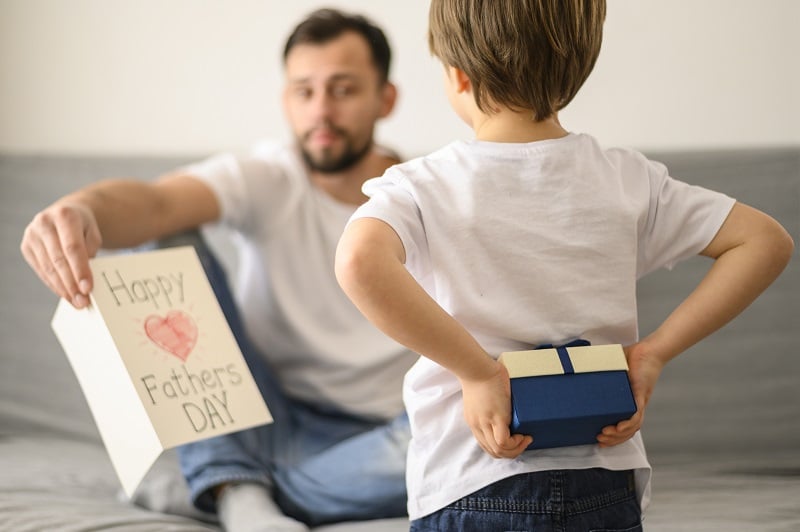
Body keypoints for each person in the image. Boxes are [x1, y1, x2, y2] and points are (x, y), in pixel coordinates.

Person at [334, 0, 795, 530]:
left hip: (472, 475)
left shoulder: (424, 186)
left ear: (457, 75)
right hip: (604, 477)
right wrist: (652, 355)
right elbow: (766, 241)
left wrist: (477, 372)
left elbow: (359, 261)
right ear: (578, 66)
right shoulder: (625, 179)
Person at [20, 8, 418, 532]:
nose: (320, 111)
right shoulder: (267, 177)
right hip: (260, 415)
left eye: (342, 90)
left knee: (465, 441)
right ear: (286, 100)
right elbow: (157, 204)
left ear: (385, 99)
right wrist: (83, 209)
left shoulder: (424, 194)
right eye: (304, 91)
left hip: (383, 435)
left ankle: (227, 487)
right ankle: (238, 482)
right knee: (164, 242)